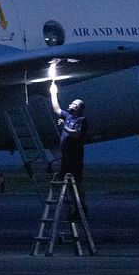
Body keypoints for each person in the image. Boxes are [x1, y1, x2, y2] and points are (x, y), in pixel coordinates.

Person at [49, 82, 88, 214]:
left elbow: (76, 134)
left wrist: (64, 127)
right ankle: (72, 206)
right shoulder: (68, 116)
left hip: (75, 157)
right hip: (66, 156)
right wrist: (53, 93)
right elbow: (57, 109)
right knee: (65, 180)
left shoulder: (81, 120)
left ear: (77, 108)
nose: (70, 105)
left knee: (77, 181)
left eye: (73, 104)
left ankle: (81, 206)